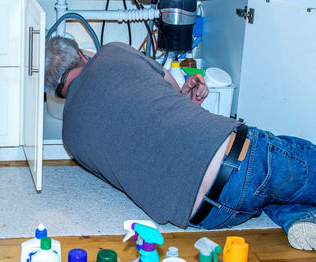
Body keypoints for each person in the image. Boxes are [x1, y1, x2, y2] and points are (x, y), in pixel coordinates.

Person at [45, 36, 316, 251]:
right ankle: (295, 209)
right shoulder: (113, 51)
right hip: (240, 162)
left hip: (208, 216)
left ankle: (297, 217)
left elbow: (140, 145)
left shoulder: (70, 139)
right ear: (82, 55)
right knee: (284, 154)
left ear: (56, 92)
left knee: (266, 189)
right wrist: (184, 96)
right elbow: (170, 91)